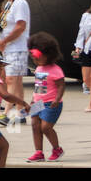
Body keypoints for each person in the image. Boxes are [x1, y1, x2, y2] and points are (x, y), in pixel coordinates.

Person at [0, 0, 30, 127]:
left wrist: (3, 42)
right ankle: (20, 112)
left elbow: (20, 27)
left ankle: (8, 112)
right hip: (9, 47)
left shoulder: (20, 4)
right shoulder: (9, 4)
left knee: (11, 80)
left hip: (17, 47)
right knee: (16, 81)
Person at [26, 33, 66, 162]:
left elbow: (61, 86)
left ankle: (57, 149)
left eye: (38, 57)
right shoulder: (39, 68)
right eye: (33, 57)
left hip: (51, 103)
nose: (35, 60)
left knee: (45, 127)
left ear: (48, 55)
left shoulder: (56, 70)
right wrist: (32, 100)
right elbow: (39, 87)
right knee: (34, 125)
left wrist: (57, 99)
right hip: (38, 102)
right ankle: (38, 152)